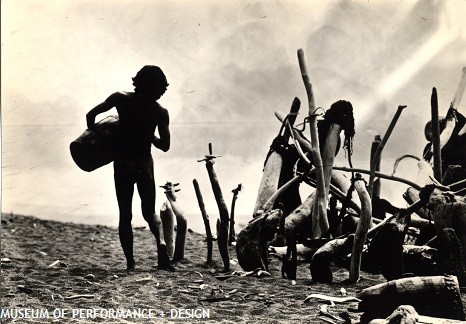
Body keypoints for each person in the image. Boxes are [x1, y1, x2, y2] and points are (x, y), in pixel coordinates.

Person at [86, 65, 174, 272]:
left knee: (125, 214)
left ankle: (130, 263)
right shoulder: (160, 112)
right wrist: (151, 137)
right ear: (159, 87)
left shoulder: (121, 98)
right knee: (149, 212)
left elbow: (91, 115)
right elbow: (165, 146)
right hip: (145, 163)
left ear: (138, 81)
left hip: (124, 162)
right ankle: (161, 243)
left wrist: (98, 137)